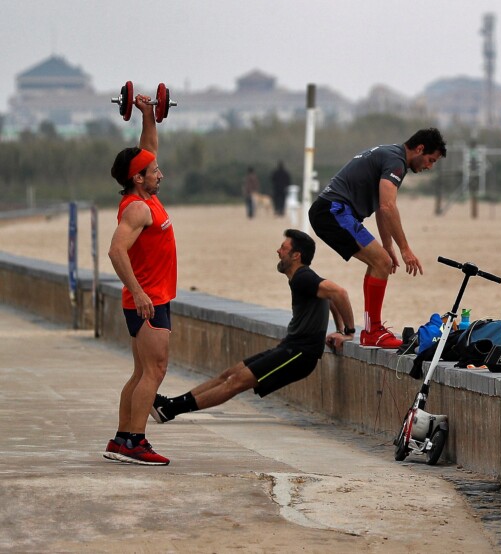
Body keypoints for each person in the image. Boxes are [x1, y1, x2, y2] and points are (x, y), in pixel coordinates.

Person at [150, 229, 356, 426]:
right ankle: (168, 405)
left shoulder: (303, 277)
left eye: (283, 248)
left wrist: (348, 332)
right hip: (289, 346)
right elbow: (330, 298)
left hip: (301, 354)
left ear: (296, 255)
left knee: (236, 382)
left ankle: (170, 410)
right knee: (229, 374)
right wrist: (338, 328)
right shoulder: (304, 278)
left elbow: (339, 293)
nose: (278, 251)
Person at [308, 128, 446, 349]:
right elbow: (388, 206)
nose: (429, 166)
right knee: (381, 262)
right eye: (430, 160)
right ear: (419, 149)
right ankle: (373, 331)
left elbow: (382, 209)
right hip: (333, 211)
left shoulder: (391, 155)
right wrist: (405, 249)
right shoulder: (396, 161)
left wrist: (388, 245)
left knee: (381, 260)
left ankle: (372, 330)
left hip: (332, 211)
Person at [104, 92, 177, 465]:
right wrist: (140, 292)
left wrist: (148, 114)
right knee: (156, 369)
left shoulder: (145, 196)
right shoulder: (136, 208)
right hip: (148, 300)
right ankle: (136, 442)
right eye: (154, 171)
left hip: (152, 296)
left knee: (140, 372)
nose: (160, 173)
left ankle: (120, 440)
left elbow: (147, 149)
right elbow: (116, 251)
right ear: (138, 177)